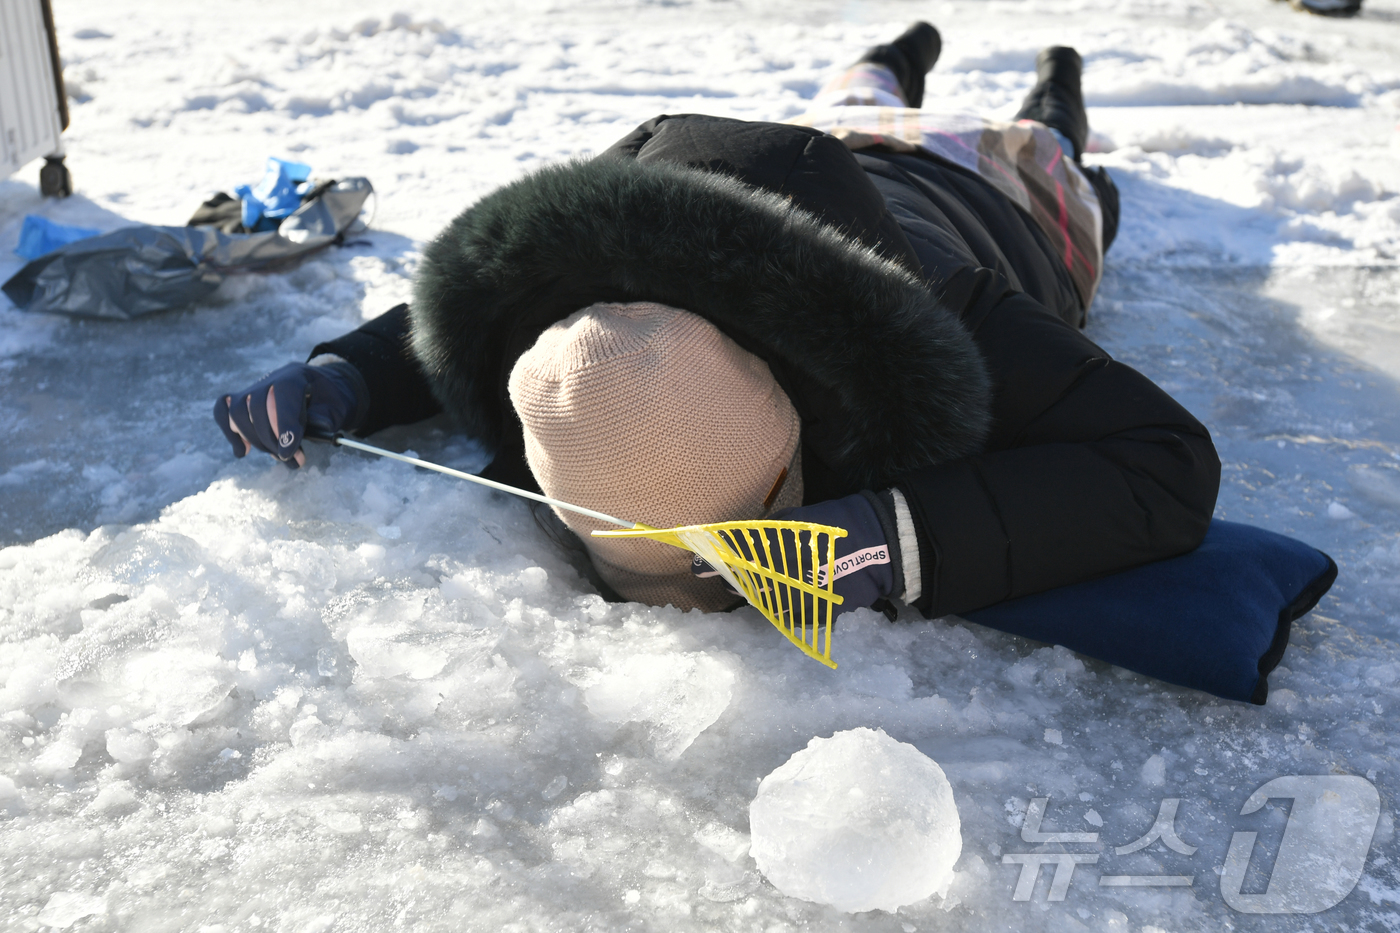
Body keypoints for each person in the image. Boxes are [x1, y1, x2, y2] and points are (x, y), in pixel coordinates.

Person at [215, 24, 1220, 624]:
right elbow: (483, 302)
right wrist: (349, 373)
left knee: (1050, 152)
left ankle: (1053, 86)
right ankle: (890, 62)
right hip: (832, 150)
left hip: (994, 200)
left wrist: (887, 536)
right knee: (857, 99)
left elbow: (1165, 463)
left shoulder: (933, 322)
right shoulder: (586, 278)